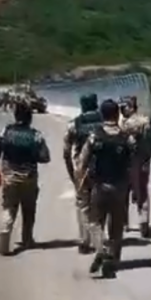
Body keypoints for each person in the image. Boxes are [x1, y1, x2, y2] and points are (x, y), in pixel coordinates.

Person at [75, 99, 135, 277]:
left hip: (99, 186)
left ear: (102, 115)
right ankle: (112, 260)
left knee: (95, 222)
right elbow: (133, 164)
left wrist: (81, 182)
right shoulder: (127, 138)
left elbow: (82, 163)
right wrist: (133, 187)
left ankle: (100, 248)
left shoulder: (95, 136)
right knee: (117, 226)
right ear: (117, 114)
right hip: (120, 187)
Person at [0, 102, 51, 255]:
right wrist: (33, 156)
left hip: (10, 178)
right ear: (30, 118)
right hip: (29, 178)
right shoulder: (36, 135)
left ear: (16, 116)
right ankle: (27, 240)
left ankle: (4, 242)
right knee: (29, 211)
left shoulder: (6, 132)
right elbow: (45, 157)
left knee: (9, 209)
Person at [62, 93, 103, 254]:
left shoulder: (74, 124)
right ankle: (100, 239)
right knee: (100, 205)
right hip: (103, 168)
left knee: (83, 205)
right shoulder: (105, 121)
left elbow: (66, 152)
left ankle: (85, 240)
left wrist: (72, 173)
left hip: (83, 169)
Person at [119, 95, 151, 238]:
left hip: (126, 164)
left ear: (131, 107)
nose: (122, 110)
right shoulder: (146, 122)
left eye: (124, 107)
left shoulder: (123, 124)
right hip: (142, 162)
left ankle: (124, 223)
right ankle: (143, 222)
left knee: (123, 194)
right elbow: (150, 142)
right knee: (142, 193)